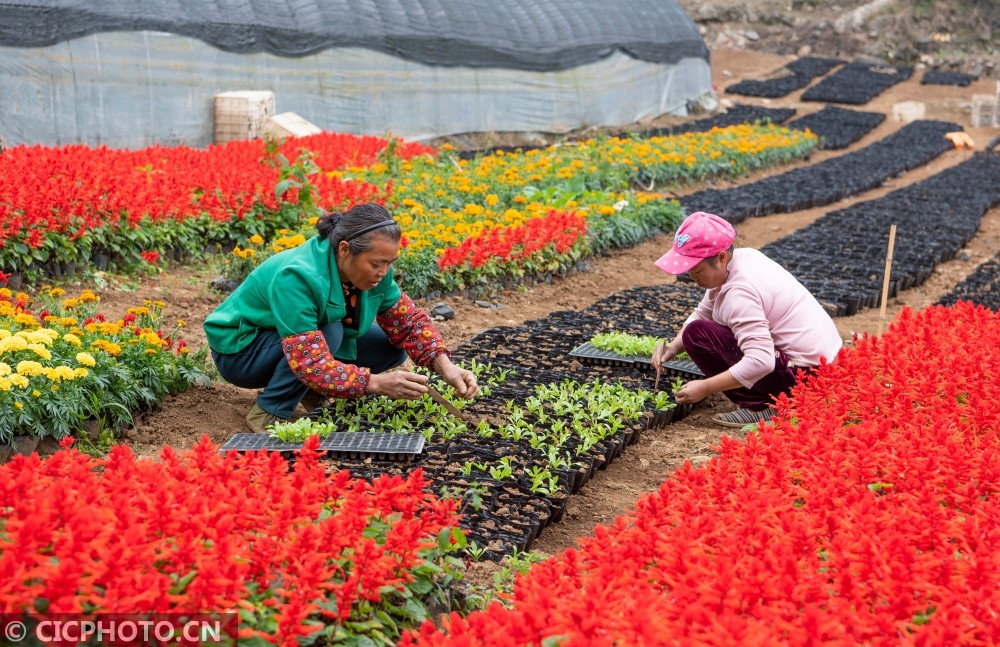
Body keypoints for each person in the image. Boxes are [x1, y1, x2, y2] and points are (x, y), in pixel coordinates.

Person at [204, 203, 478, 433]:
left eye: (390, 262)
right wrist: (376, 383)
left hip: (289, 345)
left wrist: (447, 367)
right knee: (330, 333)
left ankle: (308, 390)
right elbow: (309, 359)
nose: (384, 271)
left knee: (390, 348)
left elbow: (408, 322)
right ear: (345, 249)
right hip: (241, 352)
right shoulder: (298, 276)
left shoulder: (377, 272)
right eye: (377, 263)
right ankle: (268, 412)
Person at [651, 211, 842, 428]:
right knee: (694, 332)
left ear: (721, 258)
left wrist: (705, 387)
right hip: (823, 365)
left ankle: (767, 406)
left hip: (807, 379)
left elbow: (761, 360)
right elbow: (703, 310)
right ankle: (773, 399)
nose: (692, 279)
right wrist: (674, 347)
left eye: (697, 271)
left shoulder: (740, 292)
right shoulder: (744, 258)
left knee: (698, 335)